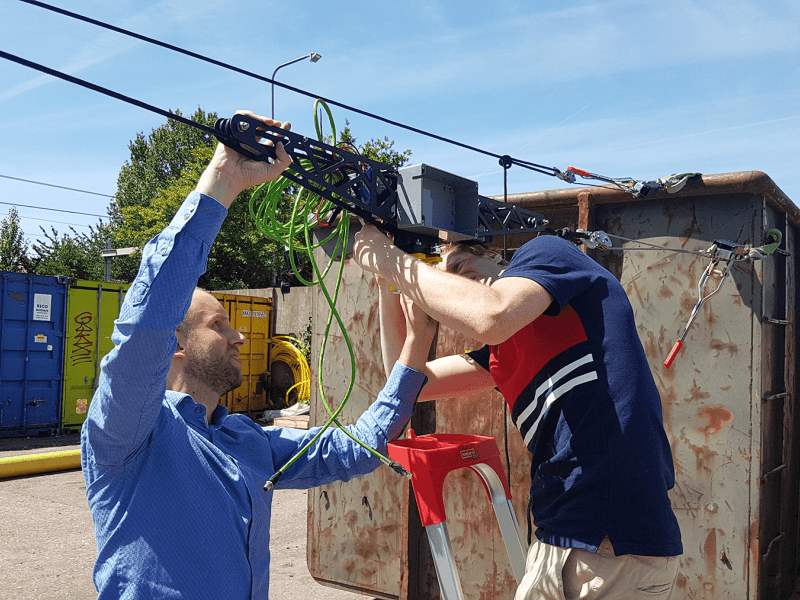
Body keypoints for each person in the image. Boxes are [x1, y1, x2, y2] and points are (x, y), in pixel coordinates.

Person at [81, 111, 434, 600]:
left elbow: (358, 449)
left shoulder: (244, 439)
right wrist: (222, 181)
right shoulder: (127, 433)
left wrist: (415, 348)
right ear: (176, 346)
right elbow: (145, 324)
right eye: (218, 325)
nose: (239, 338)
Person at [353, 226, 683, 600]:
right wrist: (386, 285)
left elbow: (492, 314)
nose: (458, 281)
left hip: (609, 534)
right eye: (444, 282)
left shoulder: (546, 252)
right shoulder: (498, 356)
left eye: (460, 265)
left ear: (492, 255)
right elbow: (407, 383)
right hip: (563, 532)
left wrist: (389, 258)